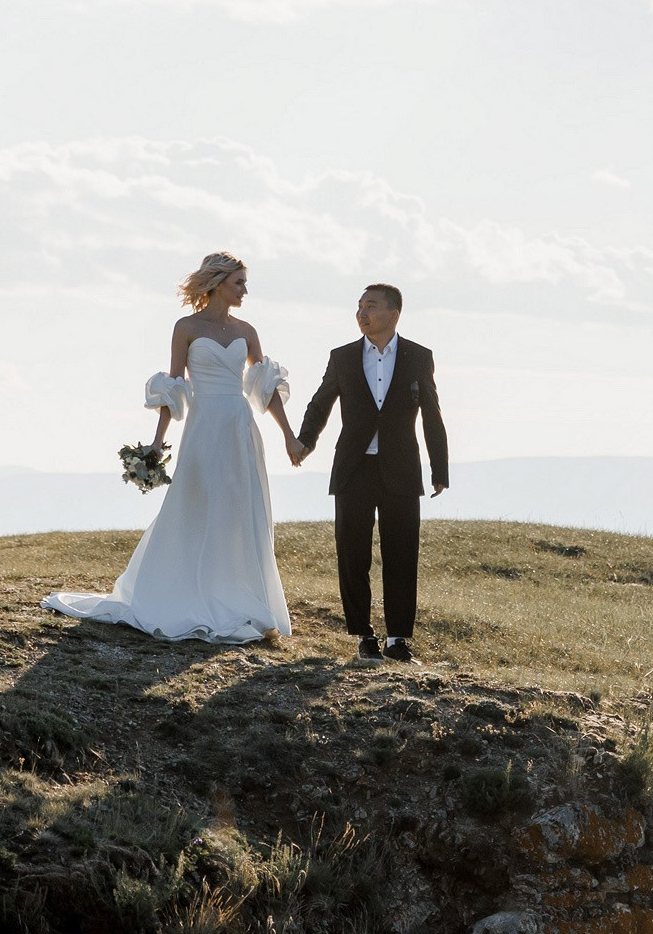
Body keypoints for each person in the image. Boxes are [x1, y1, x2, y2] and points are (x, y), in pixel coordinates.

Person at [44, 253, 297, 644]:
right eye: (239, 283)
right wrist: (158, 440)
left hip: (240, 426)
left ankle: (238, 597)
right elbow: (173, 385)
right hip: (203, 426)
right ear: (217, 283)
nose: (245, 290)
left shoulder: (247, 330)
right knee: (194, 502)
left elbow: (265, 386)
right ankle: (183, 593)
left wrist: (289, 436)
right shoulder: (186, 327)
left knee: (238, 509)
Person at [289, 283, 448, 662]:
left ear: (394, 313)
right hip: (353, 468)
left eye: (371, 306)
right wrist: (304, 441)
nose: (362, 314)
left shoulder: (418, 356)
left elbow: (432, 412)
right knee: (352, 554)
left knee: (402, 554)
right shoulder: (342, 357)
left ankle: (397, 640)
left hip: (402, 469)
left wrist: (439, 468)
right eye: (359, 306)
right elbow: (321, 402)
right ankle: (364, 635)